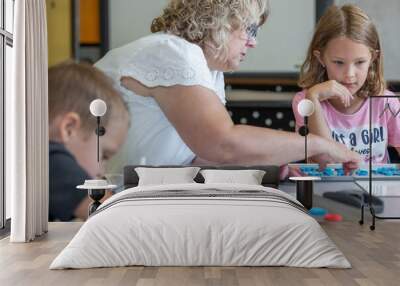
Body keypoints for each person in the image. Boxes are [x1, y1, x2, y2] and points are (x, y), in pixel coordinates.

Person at [95, 0, 361, 170]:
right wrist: (317, 144)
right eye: (250, 30)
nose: (253, 42)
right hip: (97, 197)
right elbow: (223, 143)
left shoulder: (209, 71)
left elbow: (200, 158)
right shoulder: (174, 52)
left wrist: (263, 165)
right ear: (220, 21)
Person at [292, 4, 400, 165]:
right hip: (325, 190)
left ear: (373, 58)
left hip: (376, 190)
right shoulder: (305, 102)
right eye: (338, 62)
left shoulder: (386, 102)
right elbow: (325, 161)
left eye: (360, 62)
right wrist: (313, 97)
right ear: (321, 58)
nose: (349, 74)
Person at [48, 61, 130, 221]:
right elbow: (119, 219)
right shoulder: (52, 162)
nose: (102, 172)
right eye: (104, 155)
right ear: (69, 129)